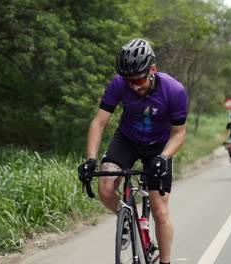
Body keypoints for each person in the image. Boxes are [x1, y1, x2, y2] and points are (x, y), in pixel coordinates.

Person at [78, 38, 188, 264]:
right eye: (129, 82)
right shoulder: (119, 83)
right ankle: (125, 217)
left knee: (159, 210)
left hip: (158, 146)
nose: (134, 86)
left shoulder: (174, 90)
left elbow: (179, 133)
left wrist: (163, 157)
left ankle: (165, 262)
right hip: (127, 139)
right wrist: (90, 159)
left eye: (138, 80)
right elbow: (99, 123)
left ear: (152, 70)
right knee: (106, 187)